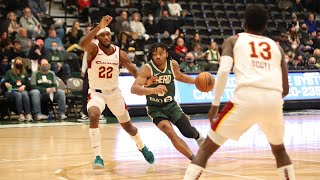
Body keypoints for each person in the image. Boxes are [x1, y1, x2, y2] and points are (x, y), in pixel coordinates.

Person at [184, 5, 295, 180]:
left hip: (246, 98)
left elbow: (223, 72)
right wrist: (266, 103)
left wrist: (215, 105)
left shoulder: (233, 40)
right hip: (273, 101)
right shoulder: (276, 47)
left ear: (244, 23)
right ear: (265, 26)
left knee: (205, 149)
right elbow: (285, 88)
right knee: (280, 150)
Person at [79, 15, 154, 169]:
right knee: (93, 115)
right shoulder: (93, 49)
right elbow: (82, 44)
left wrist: (146, 82)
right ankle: (98, 157)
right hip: (96, 93)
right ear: (98, 37)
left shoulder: (119, 53)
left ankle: (141, 146)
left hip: (114, 93)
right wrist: (99, 26)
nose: (106, 37)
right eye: (103, 35)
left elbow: (135, 72)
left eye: (108, 34)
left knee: (129, 128)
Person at [131, 42, 205, 161]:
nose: (158, 57)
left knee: (188, 132)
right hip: (155, 109)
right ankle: (194, 159)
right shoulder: (147, 68)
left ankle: (199, 137)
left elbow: (180, 76)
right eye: (155, 54)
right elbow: (134, 89)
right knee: (170, 132)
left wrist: (196, 82)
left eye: (161, 54)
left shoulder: (172, 64)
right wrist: (153, 90)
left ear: (166, 54)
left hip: (171, 105)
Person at [3, 57, 32, 121]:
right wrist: (6, 84)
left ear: (22, 64)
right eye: (17, 63)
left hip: (22, 90)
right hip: (11, 91)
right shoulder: (9, 72)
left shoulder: (25, 72)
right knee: (18, 94)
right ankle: (20, 114)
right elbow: (3, 82)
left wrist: (24, 86)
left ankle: (28, 114)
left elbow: (28, 84)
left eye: (20, 63)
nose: (19, 64)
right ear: (14, 64)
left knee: (25, 94)